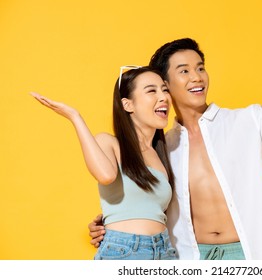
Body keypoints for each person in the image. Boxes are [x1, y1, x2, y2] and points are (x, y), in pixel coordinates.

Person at [88, 38, 262, 260]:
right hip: (191, 258)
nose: (197, 77)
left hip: (252, 253)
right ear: (165, 84)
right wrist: (112, 222)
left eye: (200, 68)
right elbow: (147, 200)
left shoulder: (247, 120)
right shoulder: (162, 147)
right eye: (184, 71)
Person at [31, 66, 178, 260]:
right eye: (152, 91)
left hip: (165, 251)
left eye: (164, 90)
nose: (163, 97)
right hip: (126, 250)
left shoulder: (162, 154)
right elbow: (106, 176)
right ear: (127, 105)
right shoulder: (109, 143)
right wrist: (75, 117)